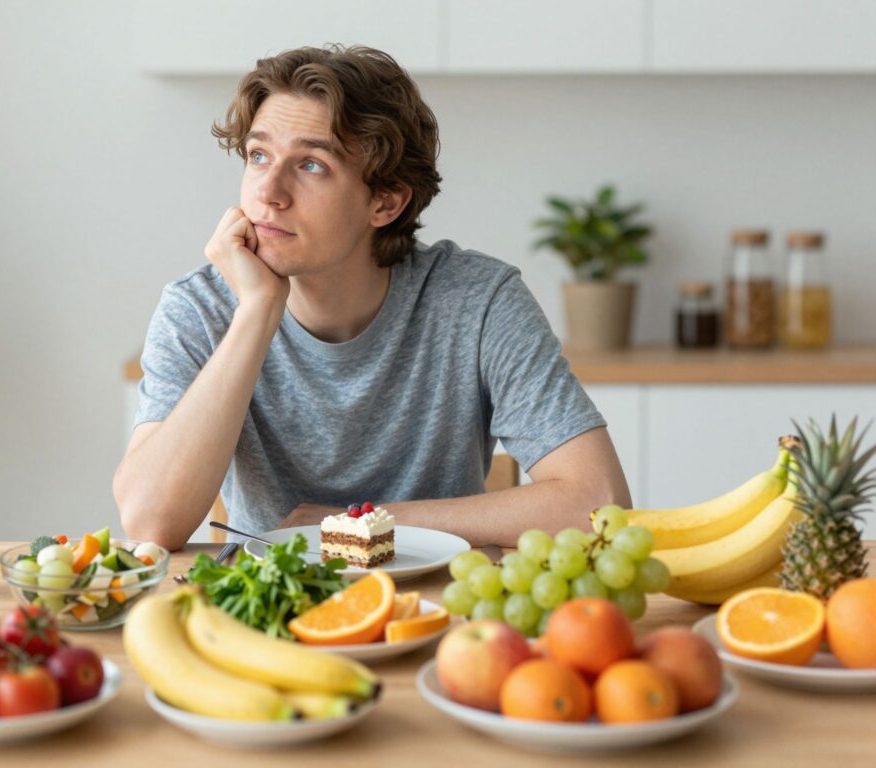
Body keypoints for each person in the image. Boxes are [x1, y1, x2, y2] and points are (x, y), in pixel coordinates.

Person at [115, 45, 630, 552]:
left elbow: (600, 504)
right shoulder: (200, 307)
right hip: (272, 611)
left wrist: (358, 522)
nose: (268, 191)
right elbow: (150, 523)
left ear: (385, 201)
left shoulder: (478, 302)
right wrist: (256, 312)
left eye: (311, 165)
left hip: (444, 613)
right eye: (258, 155)